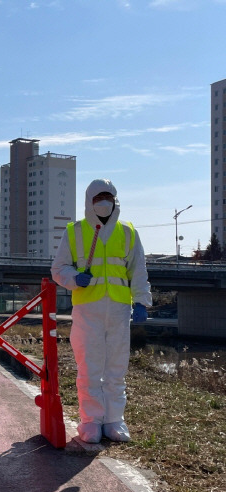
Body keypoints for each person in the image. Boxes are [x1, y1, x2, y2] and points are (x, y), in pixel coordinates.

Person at [51, 178, 152, 443]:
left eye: (108, 197)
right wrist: (74, 278)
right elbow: (58, 268)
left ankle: (114, 419)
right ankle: (90, 421)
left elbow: (138, 270)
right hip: (87, 308)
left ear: (115, 199)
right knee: (90, 366)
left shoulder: (128, 232)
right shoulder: (74, 231)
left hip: (119, 309)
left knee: (116, 367)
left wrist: (141, 301)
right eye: (98, 198)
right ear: (89, 201)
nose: (103, 202)